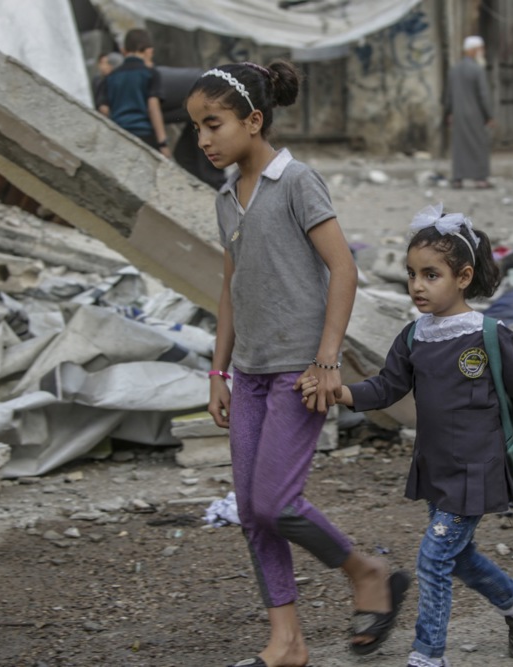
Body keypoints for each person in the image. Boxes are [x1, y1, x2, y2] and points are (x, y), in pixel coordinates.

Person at [186, 60, 408, 667]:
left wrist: (328, 360)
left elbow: (344, 267)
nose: (203, 140)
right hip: (250, 373)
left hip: (300, 372)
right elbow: (231, 287)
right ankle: (287, 641)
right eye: (197, 129)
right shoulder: (226, 196)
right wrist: (218, 371)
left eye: (214, 124)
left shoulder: (298, 182)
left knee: (275, 503)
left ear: (254, 120)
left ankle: (367, 572)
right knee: (253, 513)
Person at [299, 205, 513, 667]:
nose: (417, 285)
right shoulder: (414, 337)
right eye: (412, 274)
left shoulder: (488, 336)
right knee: (458, 555)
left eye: (430, 274)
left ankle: (428, 655)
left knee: (433, 558)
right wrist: (340, 393)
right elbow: (385, 388)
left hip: (477, 470)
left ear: (463, 276)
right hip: (436, 468)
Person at [98, 29, 170, 158]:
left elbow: (104, 109)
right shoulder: (150, 74)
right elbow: (153, 106)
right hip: (144, 134)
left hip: (119, 135)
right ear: (147, 49)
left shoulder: (111, 77)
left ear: (125, 49)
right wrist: (162, 142)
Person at [445, 36, 494, 190]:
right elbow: (483, 95)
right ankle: (480, 179)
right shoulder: (477, 69)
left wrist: (449, 112)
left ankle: (457, 179)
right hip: (475, 114)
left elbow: (448, 95)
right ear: (474, 50)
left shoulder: (454, 69)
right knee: (479, 145)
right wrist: (489, 115)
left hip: (458, 113)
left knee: (459, 147)